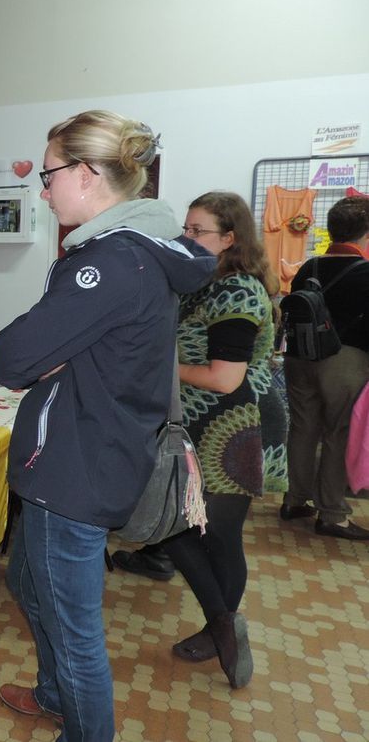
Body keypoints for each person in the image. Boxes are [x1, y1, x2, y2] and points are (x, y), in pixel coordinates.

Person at [0, 110, 215, 741]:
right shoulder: (123, 250)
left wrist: (51, 352)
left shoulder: (113, 262)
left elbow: (10, 357)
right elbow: (45, 352)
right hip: (67, 455)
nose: (42, 189)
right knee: (31, 585)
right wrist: (57, 351)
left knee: (74, 627)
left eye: (49, 174)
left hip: (80, 466)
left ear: (86, 175)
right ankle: (54, 694)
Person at [147, 192, 278, 690]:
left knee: (215, 535)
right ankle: (225, 624)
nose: (187, 237)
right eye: (186, 227)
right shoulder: (202, 282)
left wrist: (157, 368)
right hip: (193, 425)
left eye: (198, 230)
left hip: (233, 428)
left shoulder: (239, 290)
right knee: (176, 526)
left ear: (230, 239)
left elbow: (224, 378)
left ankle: (216, 624)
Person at [281, 195, 369, 540]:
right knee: (338, 434)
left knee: (302, 429)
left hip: (298, 357)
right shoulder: (365, 272)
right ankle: (332, 514)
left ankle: (294, 499)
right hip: (344, 361)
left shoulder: (309, 267)